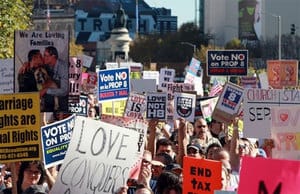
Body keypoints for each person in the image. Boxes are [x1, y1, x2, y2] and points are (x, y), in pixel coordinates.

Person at [41, 46, 69, 112]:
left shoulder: (63, 67)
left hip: (63, 105)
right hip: (50, 104)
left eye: (46, 56)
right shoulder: (46, 65)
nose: (43, 58)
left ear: (53, 56)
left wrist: (46, 90)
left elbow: (64, 91)